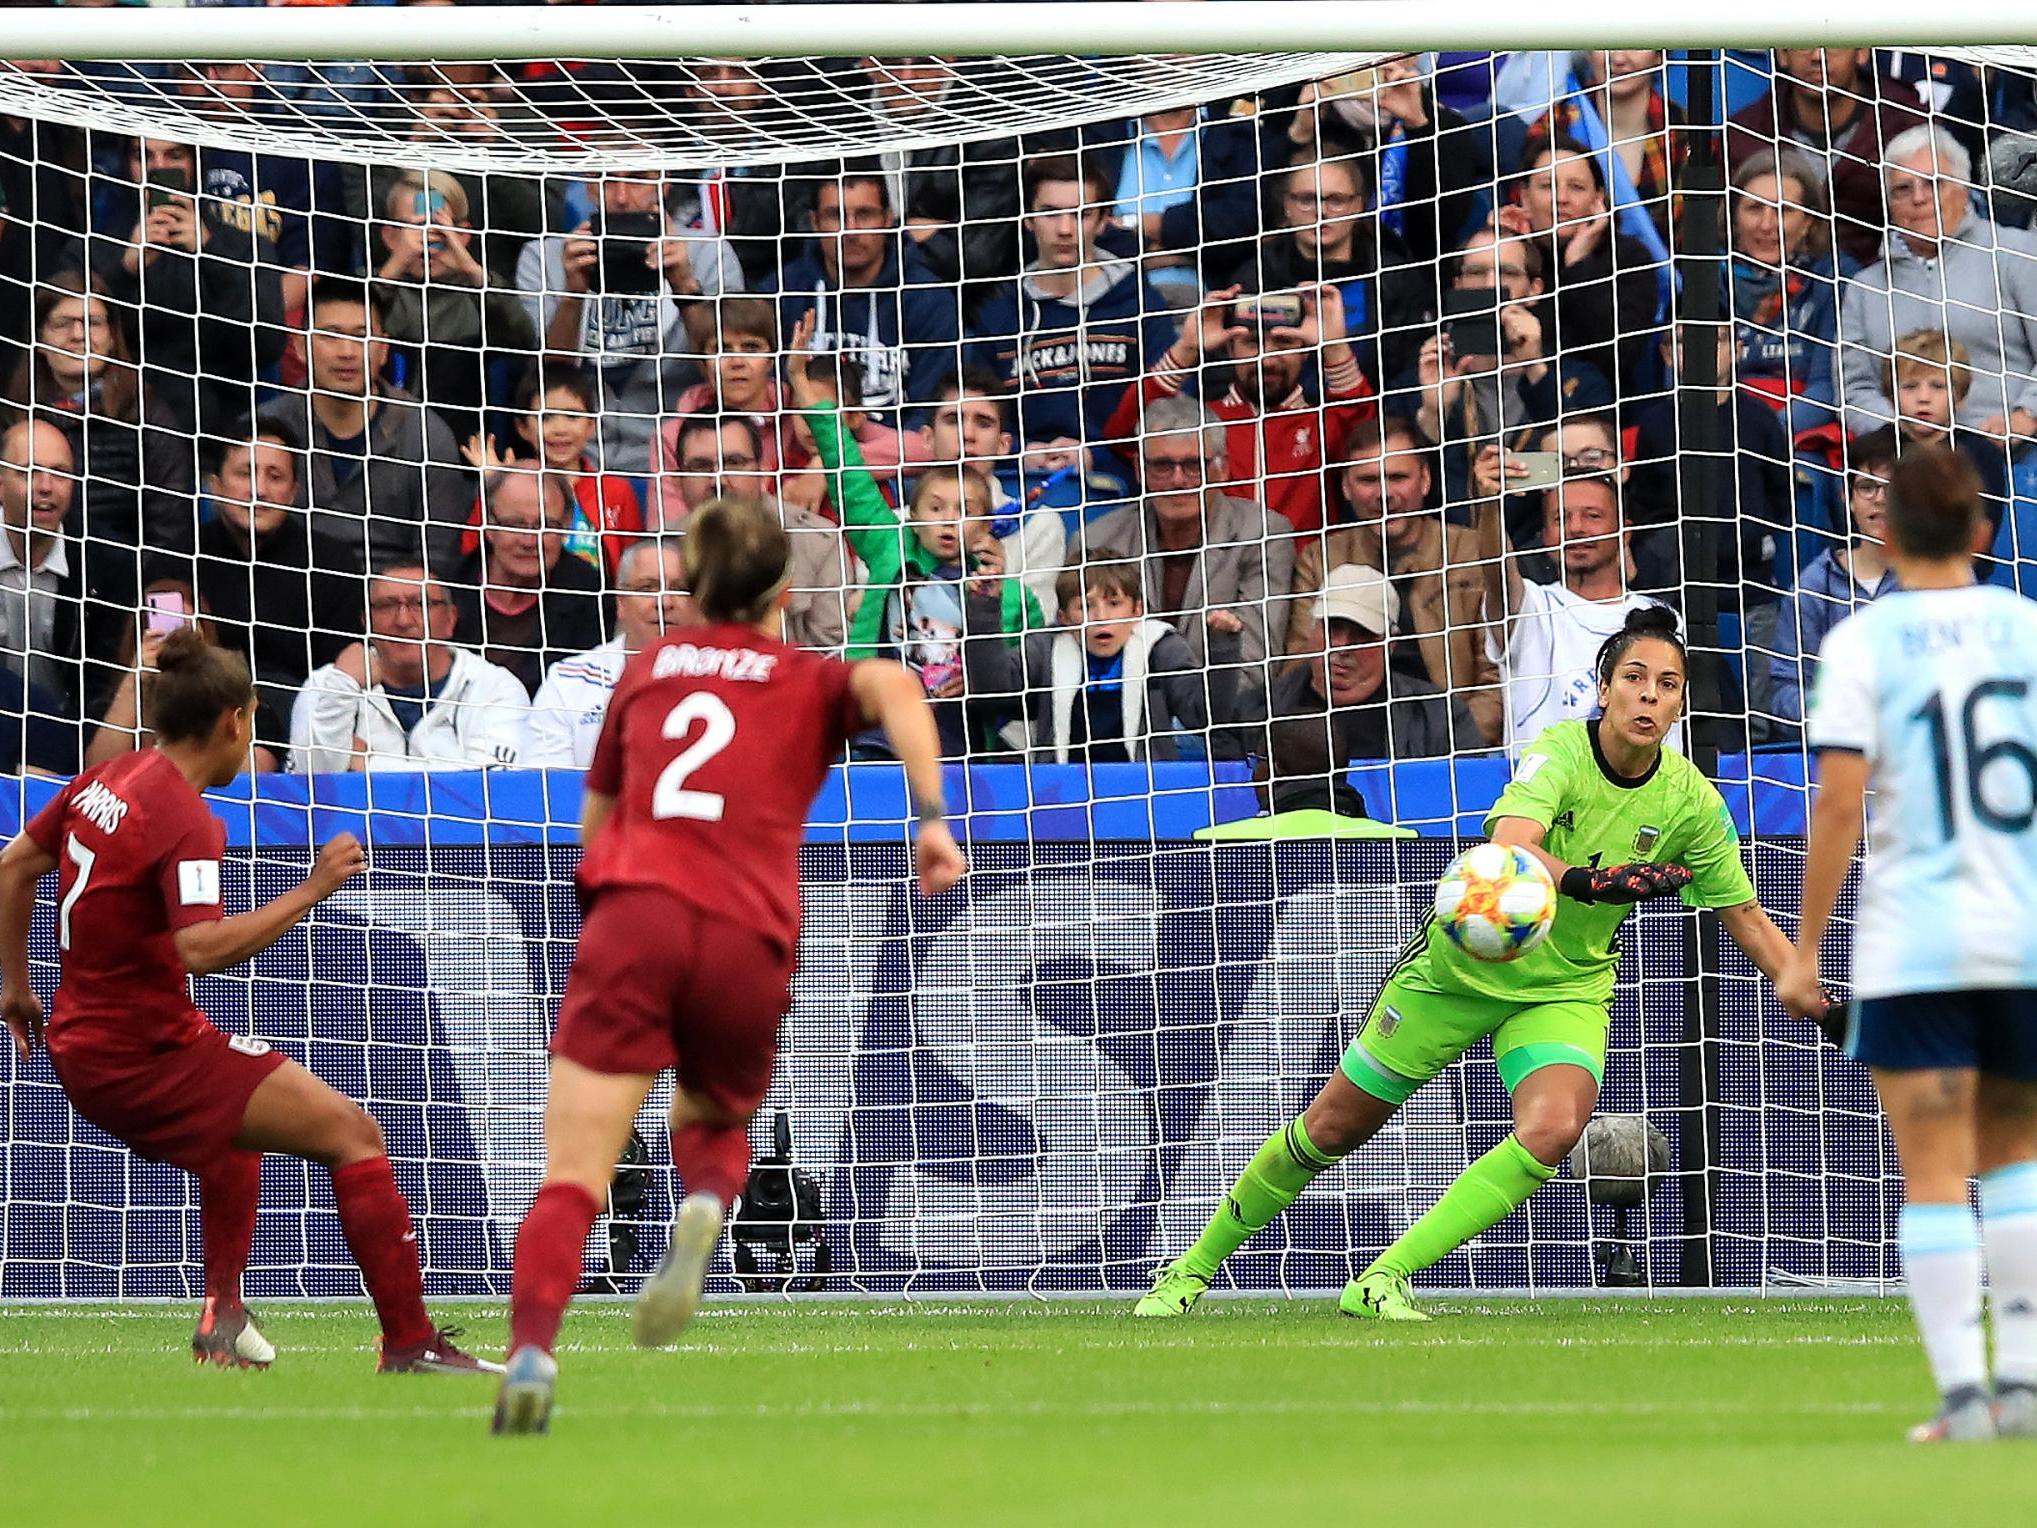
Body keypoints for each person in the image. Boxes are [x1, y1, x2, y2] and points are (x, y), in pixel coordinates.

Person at [1138, 606, 1807, 1322]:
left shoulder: (1690, 801)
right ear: (1603, 688)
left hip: (1561, 988)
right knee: (1329, 1130)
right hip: (1456, 972)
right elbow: (1513, 846)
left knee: (1552, 1128)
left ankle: (1383, 1279)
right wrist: (1594, 881)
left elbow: (1742, 913)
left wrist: (1817, 1002)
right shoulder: (1559, 751)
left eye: (1667, 684)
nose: (1649, 694)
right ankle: (1188, 1268)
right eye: (1634, 678)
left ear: (1679, 704)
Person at [492, 497, 967, 1435]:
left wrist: (609, 908)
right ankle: (707, 1202)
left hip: (638, 916)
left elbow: (594, 829)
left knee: (574, 1171)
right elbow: (899, 690)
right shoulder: (808, 677)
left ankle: (532, 1354)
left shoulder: (647, 670)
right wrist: (930, 816)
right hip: (748, 933)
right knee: (711, 1114)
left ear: (692, 591)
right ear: (783, 594)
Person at [0, 630, 494, 1375]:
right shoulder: (187, 819)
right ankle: (409, 1343)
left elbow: (11, 868)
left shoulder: (108, 778)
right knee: (355, 1135)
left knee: (243, 1121)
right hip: (141, 1055)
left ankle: (224, 1316)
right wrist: (314, 887)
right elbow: (200, 950)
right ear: (234, 721)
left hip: (98, 1039)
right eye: (254, 722)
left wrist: (15, 986)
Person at [1779, 445, 2037, 1443]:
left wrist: (1805, 950)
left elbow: (1840, 801)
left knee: (1932, 1169)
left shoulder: (1862, 640)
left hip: (1916, 938)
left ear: (1885, 533)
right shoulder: (2026, 629)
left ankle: (1962, 1399)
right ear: (1983, 530)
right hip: (2019, 932)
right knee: (2016, 1158)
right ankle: (2022, 1384)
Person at [513, 168, 743, 471]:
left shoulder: (709, 252)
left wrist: (685, 286)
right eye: (607, 181)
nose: (621, 198)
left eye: (637, 179)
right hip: (577, 457)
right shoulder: (543, 256)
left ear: (664, 184)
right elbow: (550, 374)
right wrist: (573, 294)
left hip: (680, 454)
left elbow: (728, 370)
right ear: (589, 187)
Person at [1106, 281, 1374, 537]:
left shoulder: (1325, 422)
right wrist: (1186, 349)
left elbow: (1367, 438)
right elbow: (1125, 437)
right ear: (1230, 347)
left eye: (1284, 343)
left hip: (1306, 577)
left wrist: (1335, 347)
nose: (1267, 359)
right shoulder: (1203, 422)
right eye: (1253, 343)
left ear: (1305, 350)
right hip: (1218, 574)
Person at [967, 154, 1177, 477]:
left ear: (1104, 220)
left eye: (1080, 214)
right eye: (1050, 214)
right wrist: (1021, 454)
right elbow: (973, 422)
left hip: (1120, 491)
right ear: (1028, 219)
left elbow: (1170, 415)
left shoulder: (1139, 305)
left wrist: (1097, 457)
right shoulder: (999, 316)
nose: (1065, 229)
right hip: (1018, 486)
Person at [260, 278, 472, 578]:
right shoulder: (266, 430)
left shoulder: (426, 435)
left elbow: (437, 561)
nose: (347, 351)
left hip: (394, 603)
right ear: (299, 346)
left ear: (383, 349)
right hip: (293, 595)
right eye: (331, 336)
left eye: (362, 336)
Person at [1069, 395, 1296, 674]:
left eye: (1193, 465)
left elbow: (1253, 666)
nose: (1178, 480)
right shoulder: (1096, 541)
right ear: (1140, 470)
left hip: (1226, 711)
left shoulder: (1262, 535)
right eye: (1163, 466)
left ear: (1222, 469)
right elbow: (1080, 657)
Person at [1840, 126, 2037, 447]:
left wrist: (2026, 416)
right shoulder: (1864, 288)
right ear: (1889, 202)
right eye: (1903, 188)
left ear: (1962, 188)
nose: (1919, 198)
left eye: (1934, 184)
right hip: (1905, 460)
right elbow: (1855, 389)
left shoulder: (2018, 253)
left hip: (2011, 450)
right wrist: (1900, 432)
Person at [1472, 451, 1667, 752]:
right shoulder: (1531, 607)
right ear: (1545, 535)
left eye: (1592, 515)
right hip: (1545, 795)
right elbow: (1495, 567)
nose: (1576, 528)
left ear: (1624, 532)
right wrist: (1489, 505)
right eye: (1561, 518)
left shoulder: (1661, 618)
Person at [1219, 563, 1480, 774]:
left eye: (1361, 634)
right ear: (1312, 629)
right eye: (1332, 629)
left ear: (1391, 645)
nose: (1342, 647)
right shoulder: (1254, 712)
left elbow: (1469, 791)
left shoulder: (1440, 717)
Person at [967, 558, 1229, 763]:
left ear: (1137, 610)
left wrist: (1223, 648)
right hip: (1062, 794)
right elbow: (995, 694)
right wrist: (984, 610)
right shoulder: (1046, 647)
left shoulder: (1160, 646)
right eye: (1086, 607)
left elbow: (1205, 715)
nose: (1101, 617)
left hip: (1146, 790)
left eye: (1114, 603)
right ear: (1064, 618)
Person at [289, 563, 528, 774]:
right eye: (386, 605)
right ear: (366, 620)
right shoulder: (326, 685)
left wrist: (368, 764)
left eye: (421, 604)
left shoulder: (495, 687)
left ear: (450, 619)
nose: (403, 620)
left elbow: (489, 785)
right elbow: (306, 782)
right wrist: (343, 688)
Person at [766, 164, 961, 415]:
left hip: (898, 451)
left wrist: (868, 453)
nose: (851, 230)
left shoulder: (928, 299)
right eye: (836, 215)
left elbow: (931, 414)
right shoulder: (780, 293)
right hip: (805, 449)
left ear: (888, 218)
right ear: (814, 222)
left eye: (865, 214)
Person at [656, 414, 856, 651]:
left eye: (734, 462)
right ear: (678, 480)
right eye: (701, 466)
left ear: (764, 472)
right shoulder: (657, 550)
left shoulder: (818, 540)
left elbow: (832, 652)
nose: (717, 480)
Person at [370, 169, 538, 446]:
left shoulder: (479, 293)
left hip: (465, 445)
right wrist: (394, 268)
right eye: (417, 228)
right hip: (386, 443)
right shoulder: (376, 284)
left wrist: (471, 270)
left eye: (440, 231)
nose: (429, 242)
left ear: (464, 235)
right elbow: (355, 320)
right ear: (389, 236)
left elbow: (521, 337)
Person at [194, 423, 359, 705]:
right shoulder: (175, 560)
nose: (259, 490)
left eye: (275, 476)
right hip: (203, 715)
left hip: (304, 721)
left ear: (293, 492)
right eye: (245, 474)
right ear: (216, 486)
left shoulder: (332, 564)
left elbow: (342, 674)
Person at [1726, 48, 1927, 267]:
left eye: (1833, 43)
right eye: (1803, 43)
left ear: (1861, 52)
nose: (1817, 56)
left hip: (1885, 287)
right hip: (1769, 289)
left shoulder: (1908, 127)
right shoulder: (1746, 134)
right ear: (1782, 54)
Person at [1768, 428, 1900, 729]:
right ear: (1848, 499)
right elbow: (1784, 693)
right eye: (1867, 487)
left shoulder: (1936, 582)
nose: (1879, 499)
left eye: (1891, 488)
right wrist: (1837, 712)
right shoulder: (1813, 586)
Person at [85, 579, 287, 774]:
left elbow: (252, 775)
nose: (177, 645)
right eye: (164, 634)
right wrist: (134, 680)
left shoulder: (249, 708)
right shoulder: (109, 710)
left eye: (187, 634)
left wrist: (203, 685)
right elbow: (98, 774)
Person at [521, 538, 690, 769]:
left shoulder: (729, 674)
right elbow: (547, 788)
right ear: (620, 602)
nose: (665, 602)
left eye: (680, 589)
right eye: (647, 588)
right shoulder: (568, 681)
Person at [447, 470, 608, 696]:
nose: (530, 541)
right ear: (489, 526)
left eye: (545, 525)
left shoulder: (593, 596)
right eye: (515, 524)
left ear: (565, 529)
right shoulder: (446, 588)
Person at [1727, 148, 1850, 442]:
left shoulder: (1834, 277)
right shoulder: (1707, 277)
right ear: (1734, 216)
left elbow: (1826, 387)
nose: (1767, 225)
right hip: (1722, 424)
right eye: (1754, 208)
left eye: (1783, 210)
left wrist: (1768, 434)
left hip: (1798, 428)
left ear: (1808, 221)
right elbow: (1679, 381)